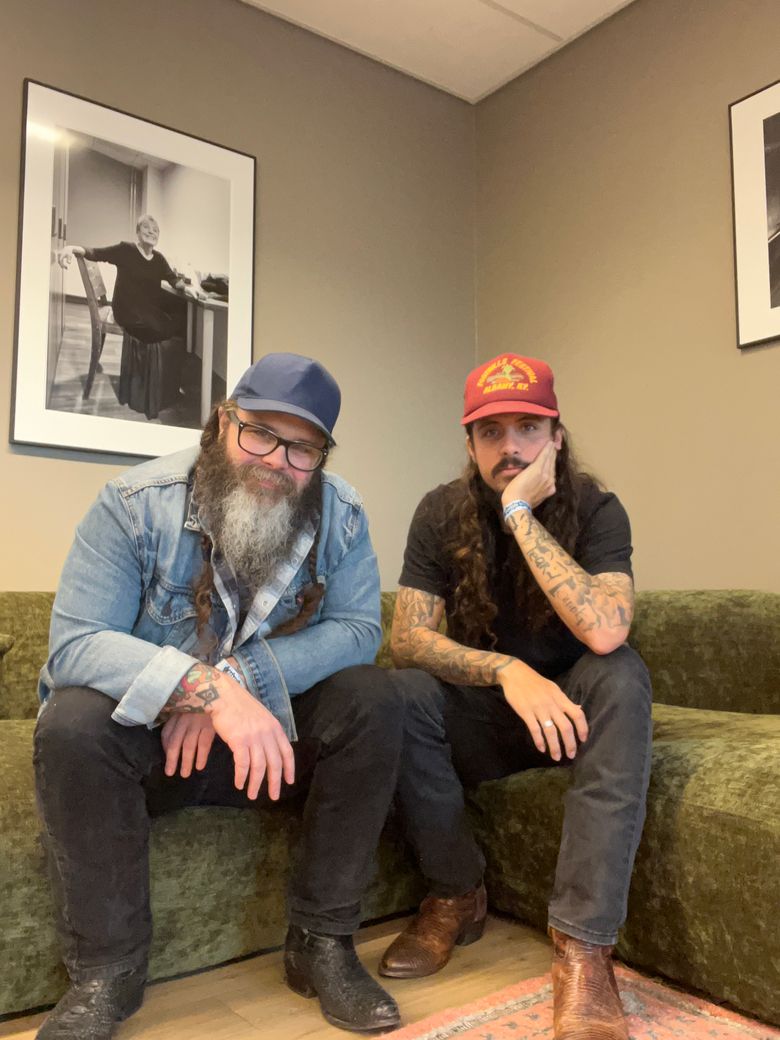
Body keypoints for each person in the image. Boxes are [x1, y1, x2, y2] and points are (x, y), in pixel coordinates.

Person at [33, 352, 405, 1038]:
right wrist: (199, 689)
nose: (276, 461)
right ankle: (106, 976)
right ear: (222, 421)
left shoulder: (343, 515)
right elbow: (76, 643)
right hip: (153, 752)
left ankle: (322, 944)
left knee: (374, 697)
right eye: (260, 432)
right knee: (72, 722)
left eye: (302, 448)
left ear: (321, 456)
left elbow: (359, 630)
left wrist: (238, 679)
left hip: (266, 751)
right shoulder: (133, 504)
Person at [382, 354, 653, 1040]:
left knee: (622, 673)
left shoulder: (598, 509)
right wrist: (506, 670)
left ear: (556, 435)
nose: (511, 447)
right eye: (491, 431)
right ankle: (456, 895)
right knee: (398, 693)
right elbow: (408, 639)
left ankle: (583, 949)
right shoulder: (439, 512)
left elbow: (606, 628)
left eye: (528, 428)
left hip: (574, 716)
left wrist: (519, 512)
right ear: (470, 443)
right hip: (489, 714)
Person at [58, 214, 188, 344]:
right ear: (138, 232)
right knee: (169, 329)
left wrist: (183, 285)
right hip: (126, 310)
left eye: (155, 230)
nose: (151, 232)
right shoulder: (126, 249)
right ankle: (148, 353)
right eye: (146, 227)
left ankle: (153, 350)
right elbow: (97, 253)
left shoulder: (159, 258)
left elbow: (172, 278)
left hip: (145, 309)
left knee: (181, 311)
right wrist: (72, 248)